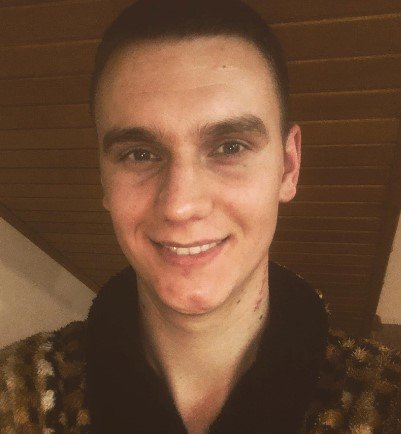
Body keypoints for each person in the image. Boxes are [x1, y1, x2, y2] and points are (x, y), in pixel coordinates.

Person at [1, 1, 400, 433]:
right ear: (103, 179)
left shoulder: (387, 397)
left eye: (230, 147)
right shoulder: (14, 392)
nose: (180, 205)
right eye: (140, 154)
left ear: (288, 167)